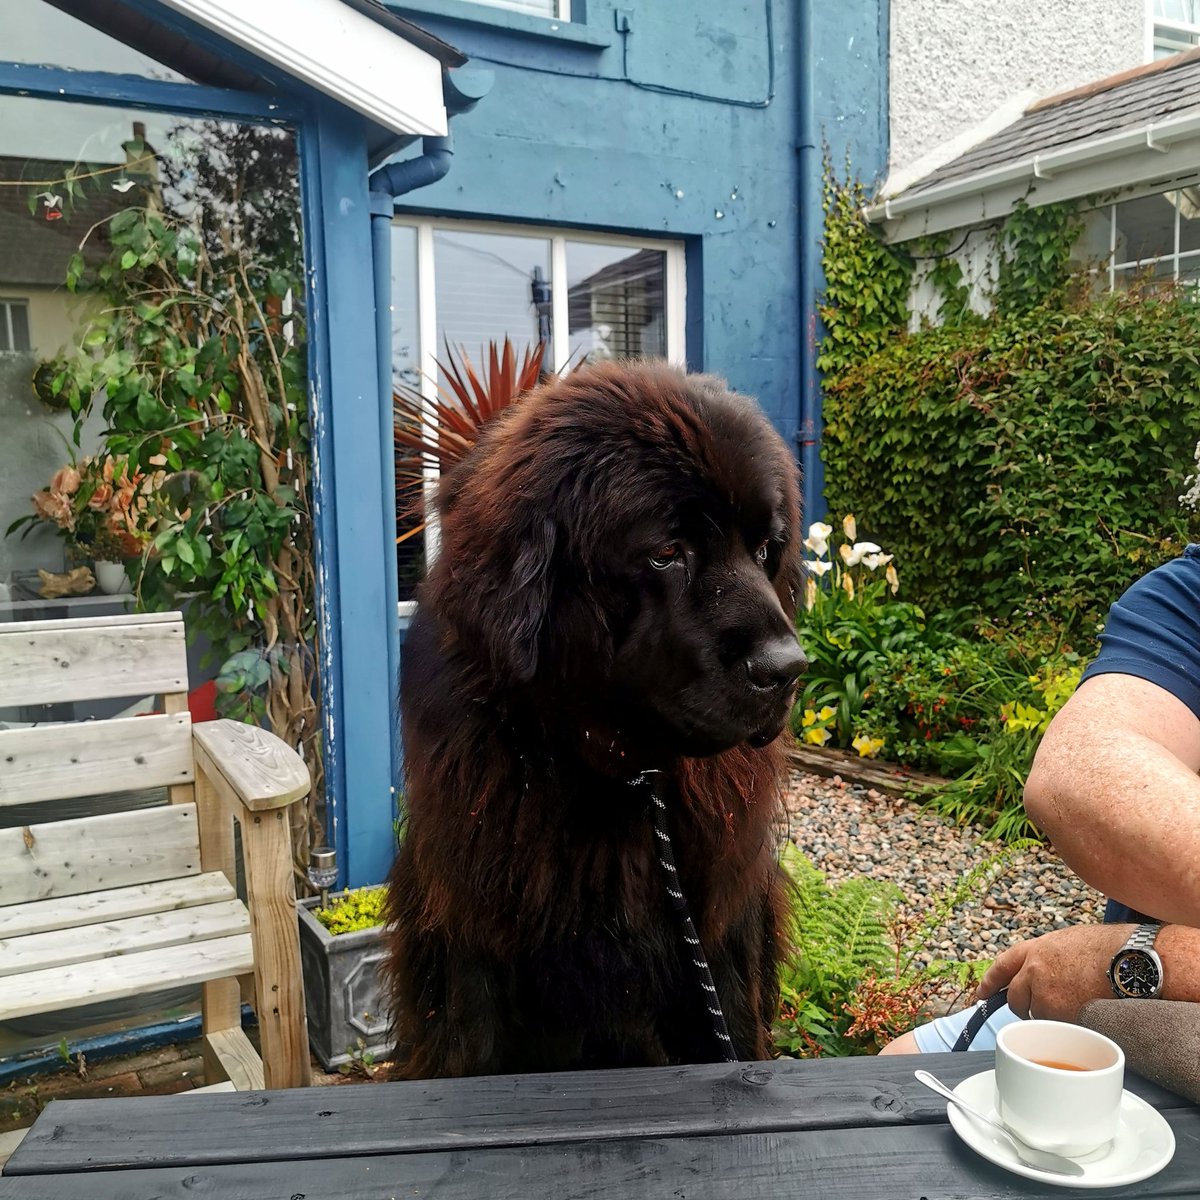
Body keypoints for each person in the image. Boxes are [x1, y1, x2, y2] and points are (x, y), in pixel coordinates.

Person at [881, 543, 1200, 1055]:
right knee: (901, 1065)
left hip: (1139, 998)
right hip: (1131, 1003)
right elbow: (1079, 767)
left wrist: (1157, 964)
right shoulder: (1189, 594)